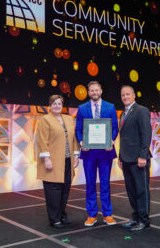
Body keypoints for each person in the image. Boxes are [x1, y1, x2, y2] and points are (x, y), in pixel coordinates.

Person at [75, 81, 118, 227]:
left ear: (101, 91)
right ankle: (92, 215)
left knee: (105, 184)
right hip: (89, 153)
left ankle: (108, 214)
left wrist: (111, 141)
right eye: (91, 90)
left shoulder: (110, 107)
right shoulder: (82, 108)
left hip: (106, 152)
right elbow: (78, 130)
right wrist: (81, 142)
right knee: (90, 184)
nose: (94, 92)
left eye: (96, 90)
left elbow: (114, 128)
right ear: (88, 92)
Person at [37, 94, 79, 229]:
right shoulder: (45, 119)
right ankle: (54, 219)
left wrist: (76, 155)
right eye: (54, 103)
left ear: (62, 105)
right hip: (52, 161)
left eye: (59, 103)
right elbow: (42, 140)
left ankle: (62, 215)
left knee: (65, 190)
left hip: (67, 161)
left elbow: (74, 139)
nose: (57, 106)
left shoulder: (68, 119)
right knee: (53, 192)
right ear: (50, 105)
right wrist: (47, 159)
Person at [118, 85, 152, 231]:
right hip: (126, 159)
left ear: (134, 95)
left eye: (127, 94)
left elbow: (146, 134)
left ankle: (144, 221)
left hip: (139, 159)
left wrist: (142, 156)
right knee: (131, 190)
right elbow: (124, 138)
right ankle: (136, 218)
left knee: (141, 190)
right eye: (123, 95)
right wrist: (120, 157)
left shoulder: (141, 110)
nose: (125, 97)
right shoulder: (123, 114)